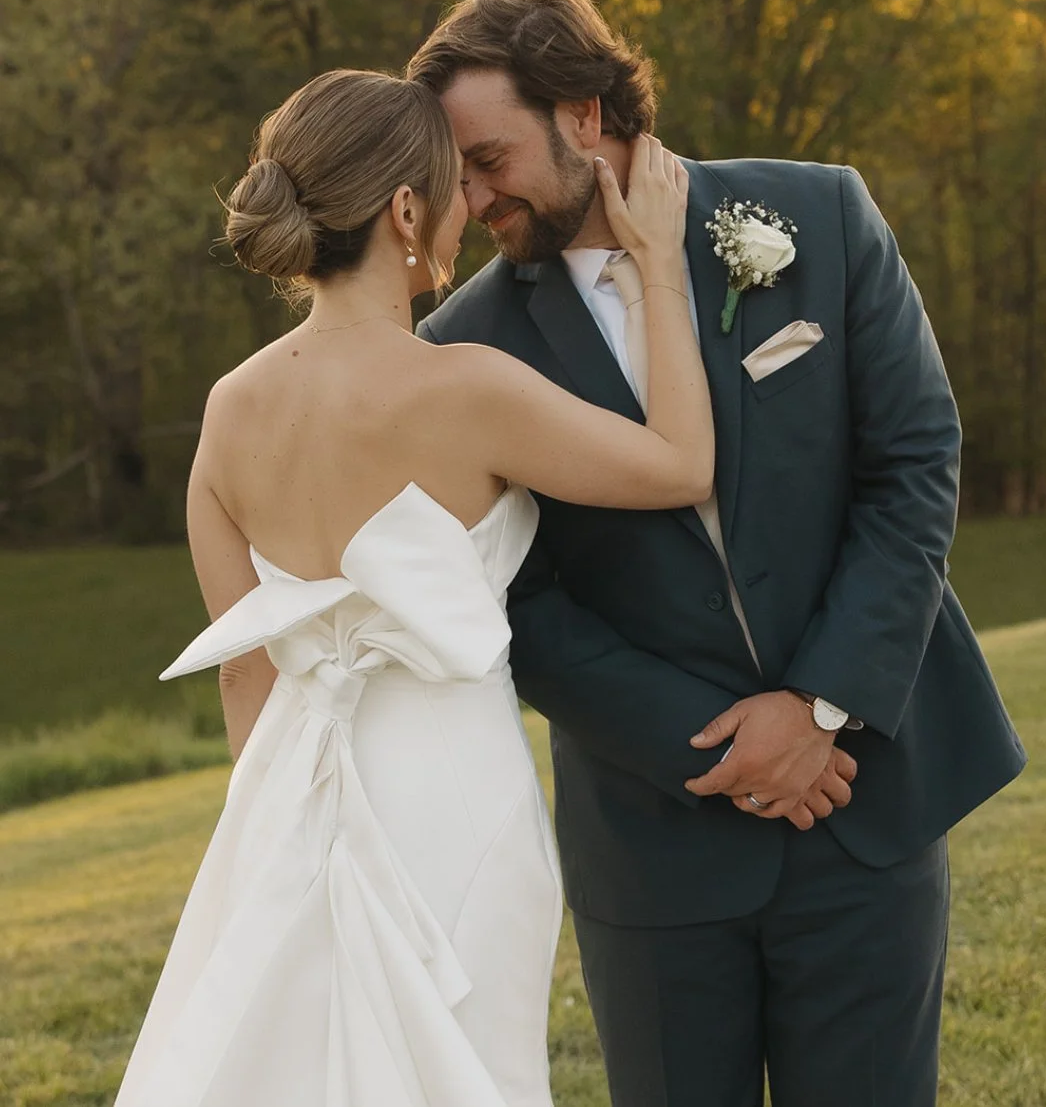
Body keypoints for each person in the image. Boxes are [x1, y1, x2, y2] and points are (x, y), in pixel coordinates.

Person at [408, 0, 1027, 1107]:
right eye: (456, 174)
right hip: (655, 841)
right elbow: (514, 599)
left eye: (489, 157)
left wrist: (817, 705)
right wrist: (723, 749)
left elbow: (912, 464)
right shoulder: (460, 345)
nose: (473, 194)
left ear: (585, 112)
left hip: (864, 803)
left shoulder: (819, 218)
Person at [113, 66, 783, 1107]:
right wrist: (655, 264)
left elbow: (245, 675)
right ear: (404, 208)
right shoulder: (462, 384)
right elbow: (681, 464)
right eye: (452, 185)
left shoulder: (228, 408)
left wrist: (284, 838)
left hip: (289, 796)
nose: (473, 209)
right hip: (453, 799)